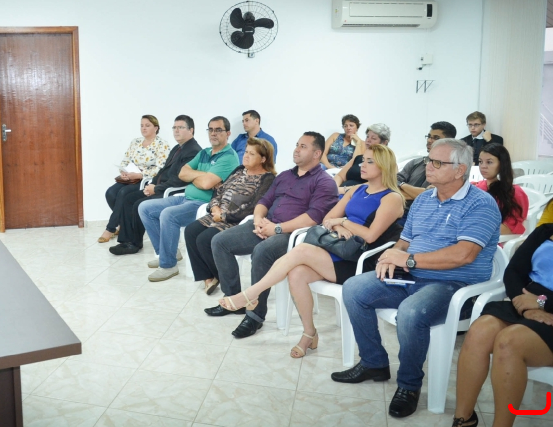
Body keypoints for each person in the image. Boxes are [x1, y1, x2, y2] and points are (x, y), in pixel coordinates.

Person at [331, 139, 502, 419]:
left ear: (460, 170)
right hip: (412, 277)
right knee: (353, 288)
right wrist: (392, 256)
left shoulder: (481, 204)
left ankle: (409, 385)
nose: (428, 167)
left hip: (454, 286)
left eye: (437, 162)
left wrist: (409, 260)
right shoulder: (424, 199)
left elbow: (464, 254)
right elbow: (406, 241)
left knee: (411, 312)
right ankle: (374, 362)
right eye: (428, 160)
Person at [219, 144, 403, 357]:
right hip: (338, 250)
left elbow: (370, 236)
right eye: (363, 160)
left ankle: (252, 294)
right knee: (296, 273)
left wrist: (343, 221)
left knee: (303, 250)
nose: (362, 165)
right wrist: (338, 225)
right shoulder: (357, 190)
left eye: (370, 161)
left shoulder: (391, 198)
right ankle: (309, 333)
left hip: (359, 261)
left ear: (384, 166)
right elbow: (327, 219)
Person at [207, 132, 338, 339]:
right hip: (265, 225)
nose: (296, 149)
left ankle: (254, 316)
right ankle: (234, 298)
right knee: (220, 241)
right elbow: (264, 202)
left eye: (303, 146)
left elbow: (313, 218)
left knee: (262, 252)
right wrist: (259, 220)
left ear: (317, 153)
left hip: (292, 235)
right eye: (297, 144)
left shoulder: (324, 182)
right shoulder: (284, 176)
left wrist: (277, 229)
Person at [453, 223, 553, 427]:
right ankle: (463, 419)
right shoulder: (546, 231)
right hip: (526, 302)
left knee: (509, 342)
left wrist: (542, 302)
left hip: (545, 308)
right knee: (480, 331)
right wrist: (525, 306)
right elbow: (513, 272)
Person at [139, 116, 239, 282]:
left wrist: (197, 177)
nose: (213, 133)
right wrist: (205, 175)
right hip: (185, 197)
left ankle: (168, 265)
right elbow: (182, 173)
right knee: (145, 208)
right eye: (210, 129)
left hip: (204, 204)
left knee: (168, 215)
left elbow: (206, 184)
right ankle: (165, 253)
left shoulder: (229, 157)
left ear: (228, 133)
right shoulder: (204, 152)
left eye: (218, 130)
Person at [185, 138, 276, 295]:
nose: (245, 156)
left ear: (263, 159)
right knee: (190, 231)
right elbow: (219, 190)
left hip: (236, 221)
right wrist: (214, 206)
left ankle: (226, 284)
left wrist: (224, 216)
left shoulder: (267, 178)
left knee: (204, 239)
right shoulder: (239, 170)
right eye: (246, 152)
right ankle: (209, 276)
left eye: (251, 154)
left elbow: (254, 207)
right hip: (218, 214)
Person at [109, 115, 201, 255]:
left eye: (181, 127)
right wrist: (151, 185)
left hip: (171, 191)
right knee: (128, 198)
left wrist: (156, 188)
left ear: (191, 130)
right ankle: (127, 241)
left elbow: (180, 179)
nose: (176, 131)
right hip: (160, 187)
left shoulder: (193, 150)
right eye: (174, 127)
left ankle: (134, 243)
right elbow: (162, 170)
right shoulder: (177, 148)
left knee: (138, 203)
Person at [99, 115, 170, 243]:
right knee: (110, 192)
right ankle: (123, 223)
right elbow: (125, 160)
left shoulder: (162, 144)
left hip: (146, 180)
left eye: (147, 125)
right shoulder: (135, 142)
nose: (143, 128)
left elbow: (161, 168)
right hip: (130, 178)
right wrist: (124, 172)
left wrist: (140, 175)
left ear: (156, 128)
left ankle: (110, 228)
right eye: (141, 125)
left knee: (123, 193)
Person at [397, 121, 458, 216]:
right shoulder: (415, 163)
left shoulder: (451, 169)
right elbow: (393, 183)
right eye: (429, 136)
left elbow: (431, 197)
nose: (429, 140)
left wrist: (402, 186)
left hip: (427, 216)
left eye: (436, 138)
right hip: (398, 212)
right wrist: (417, 192)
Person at [472, 143, 529, 235]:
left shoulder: (514, 193)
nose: (483, 166)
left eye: (489, 162)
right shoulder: (476, 187)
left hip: (492, 239)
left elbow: (509, 228)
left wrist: (473, 231)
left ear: (502, 164)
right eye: (480, 161)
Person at [334, 123, 390, 193]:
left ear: (384, 143)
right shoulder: (359, 158)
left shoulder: (387, 162)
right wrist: (334, 188)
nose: (368, 140)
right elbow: (339, 176)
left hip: (357, 195)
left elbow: (376, 184)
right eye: (367, 136)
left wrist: (344, 190)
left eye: (373, 138)